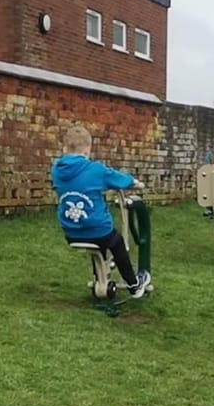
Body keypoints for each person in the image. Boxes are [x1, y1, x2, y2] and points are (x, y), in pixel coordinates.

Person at [52, 125, 150, 299]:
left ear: (64, 149)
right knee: (117, 241)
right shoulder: (95, 169)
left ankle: (100, 278)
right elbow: (117, 178)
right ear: (88, 150)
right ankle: (134, 285)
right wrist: (133, 182)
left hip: (71, 232)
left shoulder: (56, 171)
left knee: (93, 233)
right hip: (98, 231)